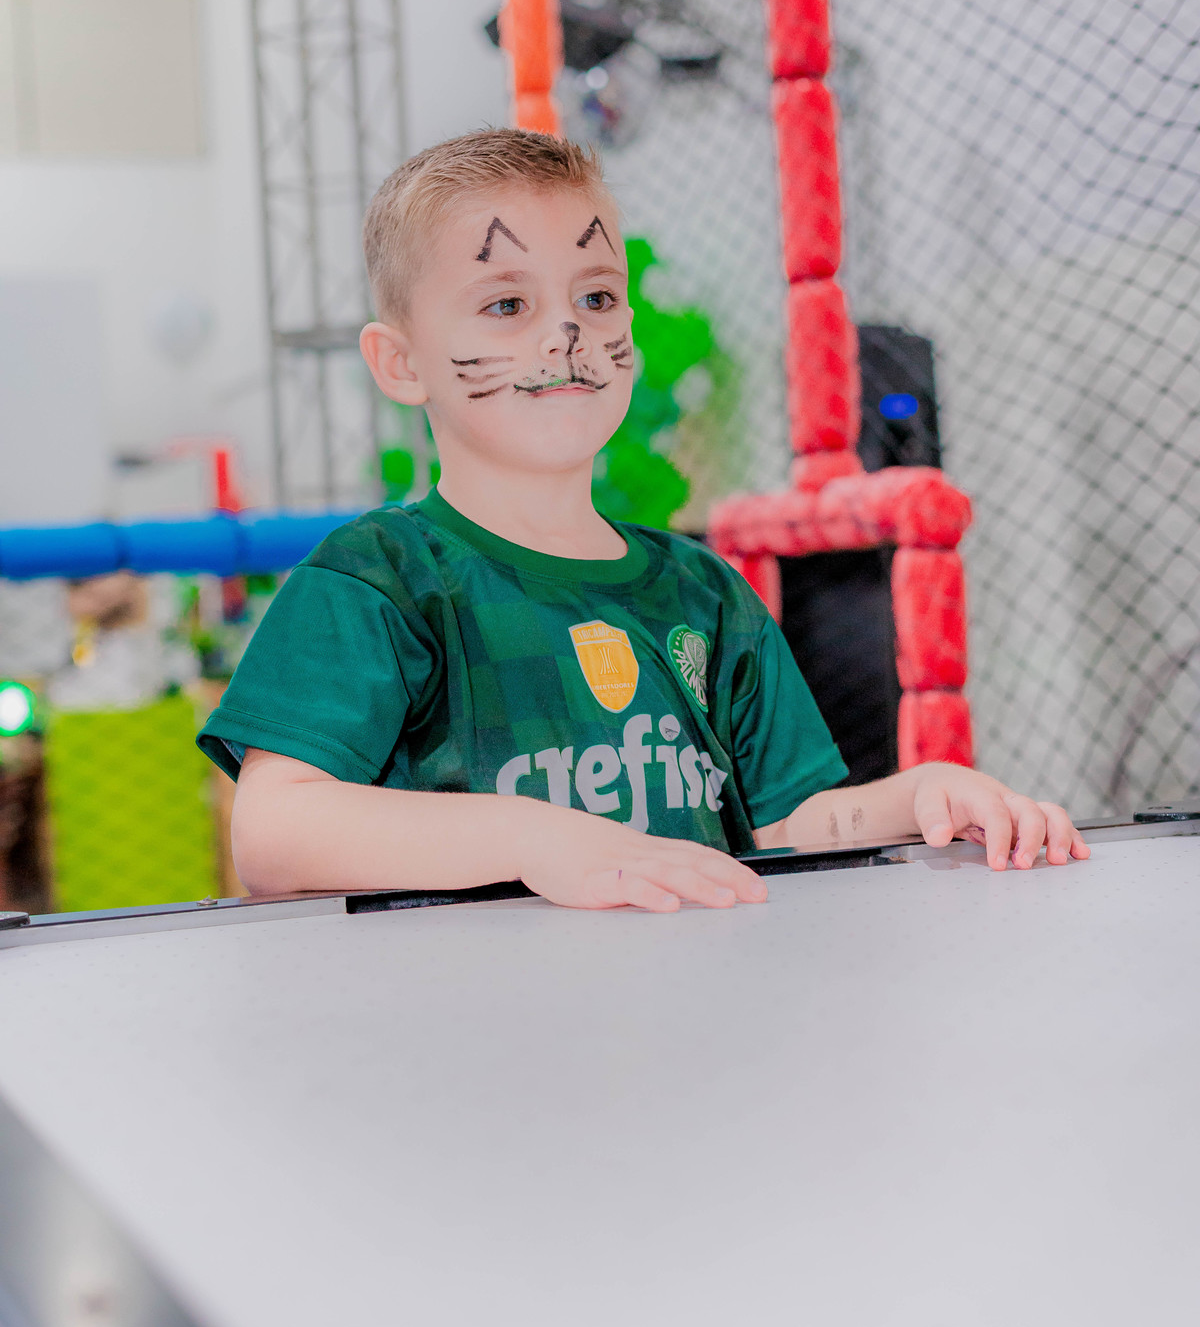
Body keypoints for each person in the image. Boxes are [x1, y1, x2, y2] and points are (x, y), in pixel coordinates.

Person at [199, 128, 1088, 912]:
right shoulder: (379, 580)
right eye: (508, 305)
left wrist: (919, 796)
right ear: (400, 363)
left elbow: (786, 827)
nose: (566, 336)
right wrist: (534, 839)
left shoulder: (704, 593)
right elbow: (274, 833)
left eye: (594, 298)